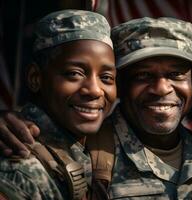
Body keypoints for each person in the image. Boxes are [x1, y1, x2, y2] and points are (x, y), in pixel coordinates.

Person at [0, 17, 192, 199]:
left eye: (176, 74)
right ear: (121, 83)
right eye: (143, 75)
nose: (162, 88)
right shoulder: (85, 151)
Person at [0, 9, 116, 199]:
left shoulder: (85, 145)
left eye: (106, 77)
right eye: (74, 73)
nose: (95, 90)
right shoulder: (18, 169)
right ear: (35, 78)